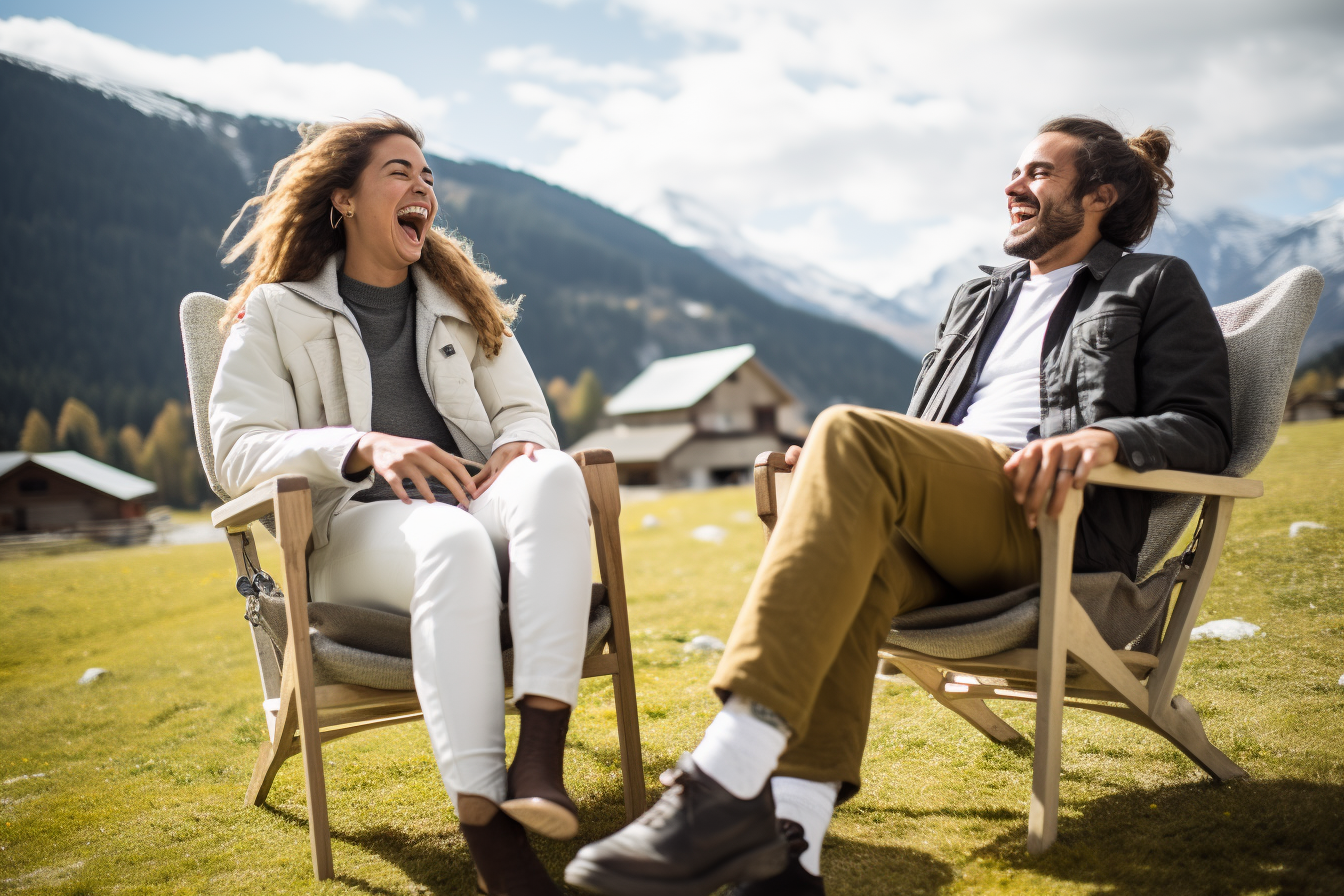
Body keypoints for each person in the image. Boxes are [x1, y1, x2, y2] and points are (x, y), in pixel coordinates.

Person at [565, 116, 1233, 896]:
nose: (1014, 187)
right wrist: (838, 471)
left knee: (847, 427)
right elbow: (923, 427)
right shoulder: (979, 298)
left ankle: (716, 785)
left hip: (1052, 522)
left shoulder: (1151, 283)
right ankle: (788, 854)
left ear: (1099, 196)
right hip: (950, 525)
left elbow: (1205, 427)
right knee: (860, 531)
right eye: (1015, 172)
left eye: (1039, 174)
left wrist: (1107, 439)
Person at [211, 116, 589, 895]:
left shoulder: (460, 297)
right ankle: (491, 837)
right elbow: (236, 450)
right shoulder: (275, 310)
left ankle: (540, 760)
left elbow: (524, 412)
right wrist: (360, 444)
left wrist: (520, 443)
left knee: (554, 476)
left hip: (470, 502)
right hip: (351, 531)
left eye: (427, 176)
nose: (424, 188)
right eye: (399, 172)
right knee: (449, 541)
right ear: (343, 198)